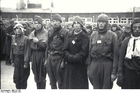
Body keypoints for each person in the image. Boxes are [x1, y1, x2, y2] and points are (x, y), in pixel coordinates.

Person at [88, 13, 118, 89]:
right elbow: (89, 53)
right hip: (95, 63)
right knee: (96, 87)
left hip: (107, 64)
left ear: (106, 23)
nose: (101, 24)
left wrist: (114, 72)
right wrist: (89, 68)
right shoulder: (93, 35)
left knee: (106, 87)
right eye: (99, 22)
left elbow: (116, 55)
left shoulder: (113, 35)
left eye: (103, 22)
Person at [62, 16, 89, 89]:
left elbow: (84, 53)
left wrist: (73, 58)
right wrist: (69, 57)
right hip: (70, 67)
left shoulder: (85, 37)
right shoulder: (69, 36)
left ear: (81, 25)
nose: (76, 25)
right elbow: (64, 50)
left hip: (80, 67)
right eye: (75, 23)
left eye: (78, 23)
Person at [45, 13, 69, 89]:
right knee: (51, 80)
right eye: (53, 21)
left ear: (60, 22)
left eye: (57, 21)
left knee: (60, 81)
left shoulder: (65, 32)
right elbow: (47, 46)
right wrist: (46, 58)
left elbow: (66, 48)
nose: (54, 23)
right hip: (50, 57)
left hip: (59, 57)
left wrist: (63, 61)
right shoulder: (49, 31)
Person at [24, 15, 48, 89]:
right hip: (34, 55)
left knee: (42, 74)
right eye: (35, 23)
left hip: (42, 55)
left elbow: (45, 46)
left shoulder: (45, 33)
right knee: (36, 74)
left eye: (38, 23)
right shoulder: (32, 33)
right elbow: (29, 44)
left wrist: (37, 42)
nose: (36, 25)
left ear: (41, 24)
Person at [118, 18, 140, 89]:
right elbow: (121, 58)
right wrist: (120, 73)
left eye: (139, 27)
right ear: (132, 28)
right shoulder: (126, 41)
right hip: (128, 73)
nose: (137, 29)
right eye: (135, 27)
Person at [10, 23, 30, 89]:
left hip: (23, 60)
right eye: (16, 29)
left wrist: (26, 63)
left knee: (23, 79)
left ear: (22, 30)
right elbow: (12, 50)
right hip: (16, 60)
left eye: (19, 29)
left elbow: (27, 51)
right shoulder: (13, 38)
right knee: (16, 79)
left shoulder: (26, 39)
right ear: (14, 30)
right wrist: (12, 60)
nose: (17, 30)